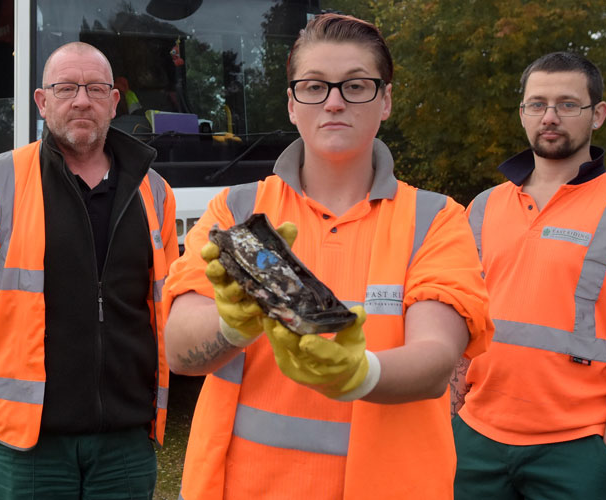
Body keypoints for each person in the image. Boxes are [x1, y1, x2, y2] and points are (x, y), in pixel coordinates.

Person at [164, 13, 493, 499]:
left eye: (355, 85)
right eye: (314, 86)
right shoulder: (236, 209)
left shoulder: (436, 219)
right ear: (293, 105)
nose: (334, 101)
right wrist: (231, 326)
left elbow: (437, 358)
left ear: (385, 101)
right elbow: (178, 351)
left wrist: (360, 374)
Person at [0, 42, 179, 499]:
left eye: (96, 89)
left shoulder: (154, 191)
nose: (82, 100)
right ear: (42, 101)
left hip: (127, 439)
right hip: (30, 444)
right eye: (66, 88)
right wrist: (1, 351)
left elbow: (166, 302)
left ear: (114, 102)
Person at [452, 51, 606, 499]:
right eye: (537, 103)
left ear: (597, 114)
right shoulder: (483, 208)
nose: (550, 116)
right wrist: (453, 414)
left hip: (577, 449)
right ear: (522, 112)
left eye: (567, 103)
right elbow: (462, 317)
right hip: (476, 440)